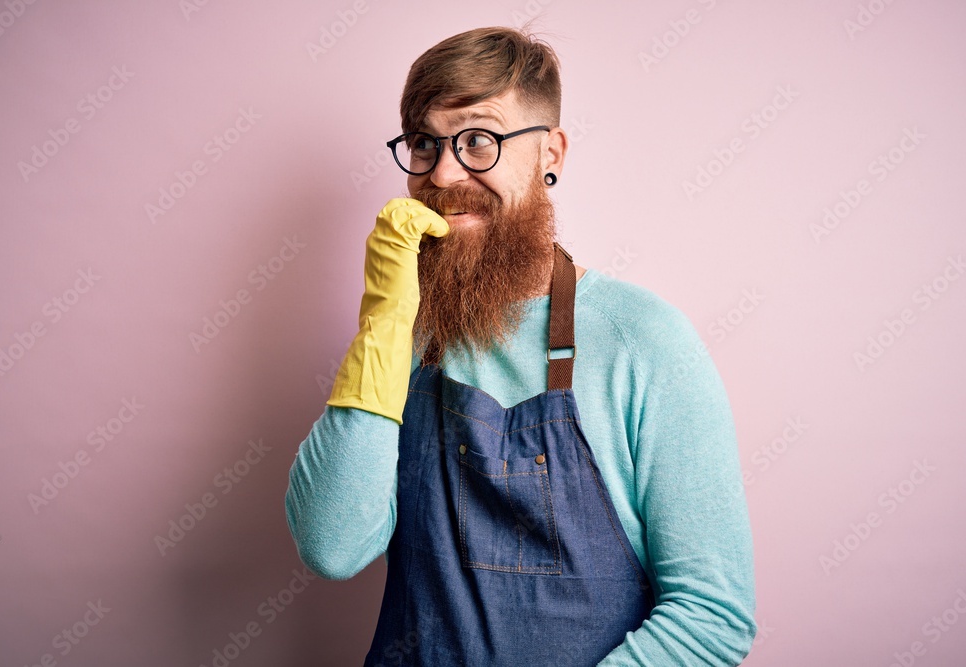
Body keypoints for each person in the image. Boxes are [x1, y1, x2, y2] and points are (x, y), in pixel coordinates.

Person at [285, 25, 757, 666]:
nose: (444, 172)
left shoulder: (643, 343)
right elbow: (331, 547)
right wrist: (384, 325)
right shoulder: (406, 335)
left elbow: (711, 616)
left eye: (478, 139)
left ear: (550, 154)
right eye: (425, 143)